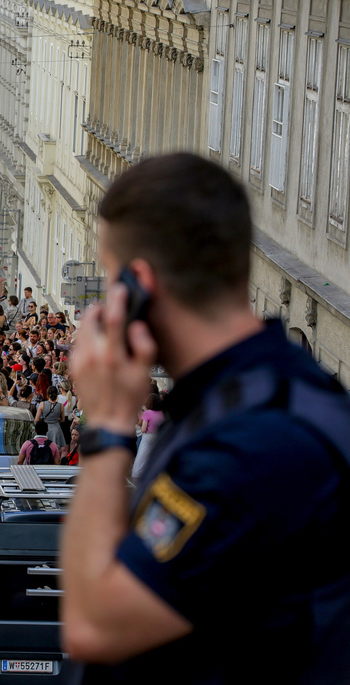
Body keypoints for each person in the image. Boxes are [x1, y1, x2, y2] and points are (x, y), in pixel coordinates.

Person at [62, 153, 350, 684]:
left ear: (139, 285)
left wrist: (104, 426)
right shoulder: (261, 394)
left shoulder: (251, 442)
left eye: (109, 281)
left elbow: (94, 625)